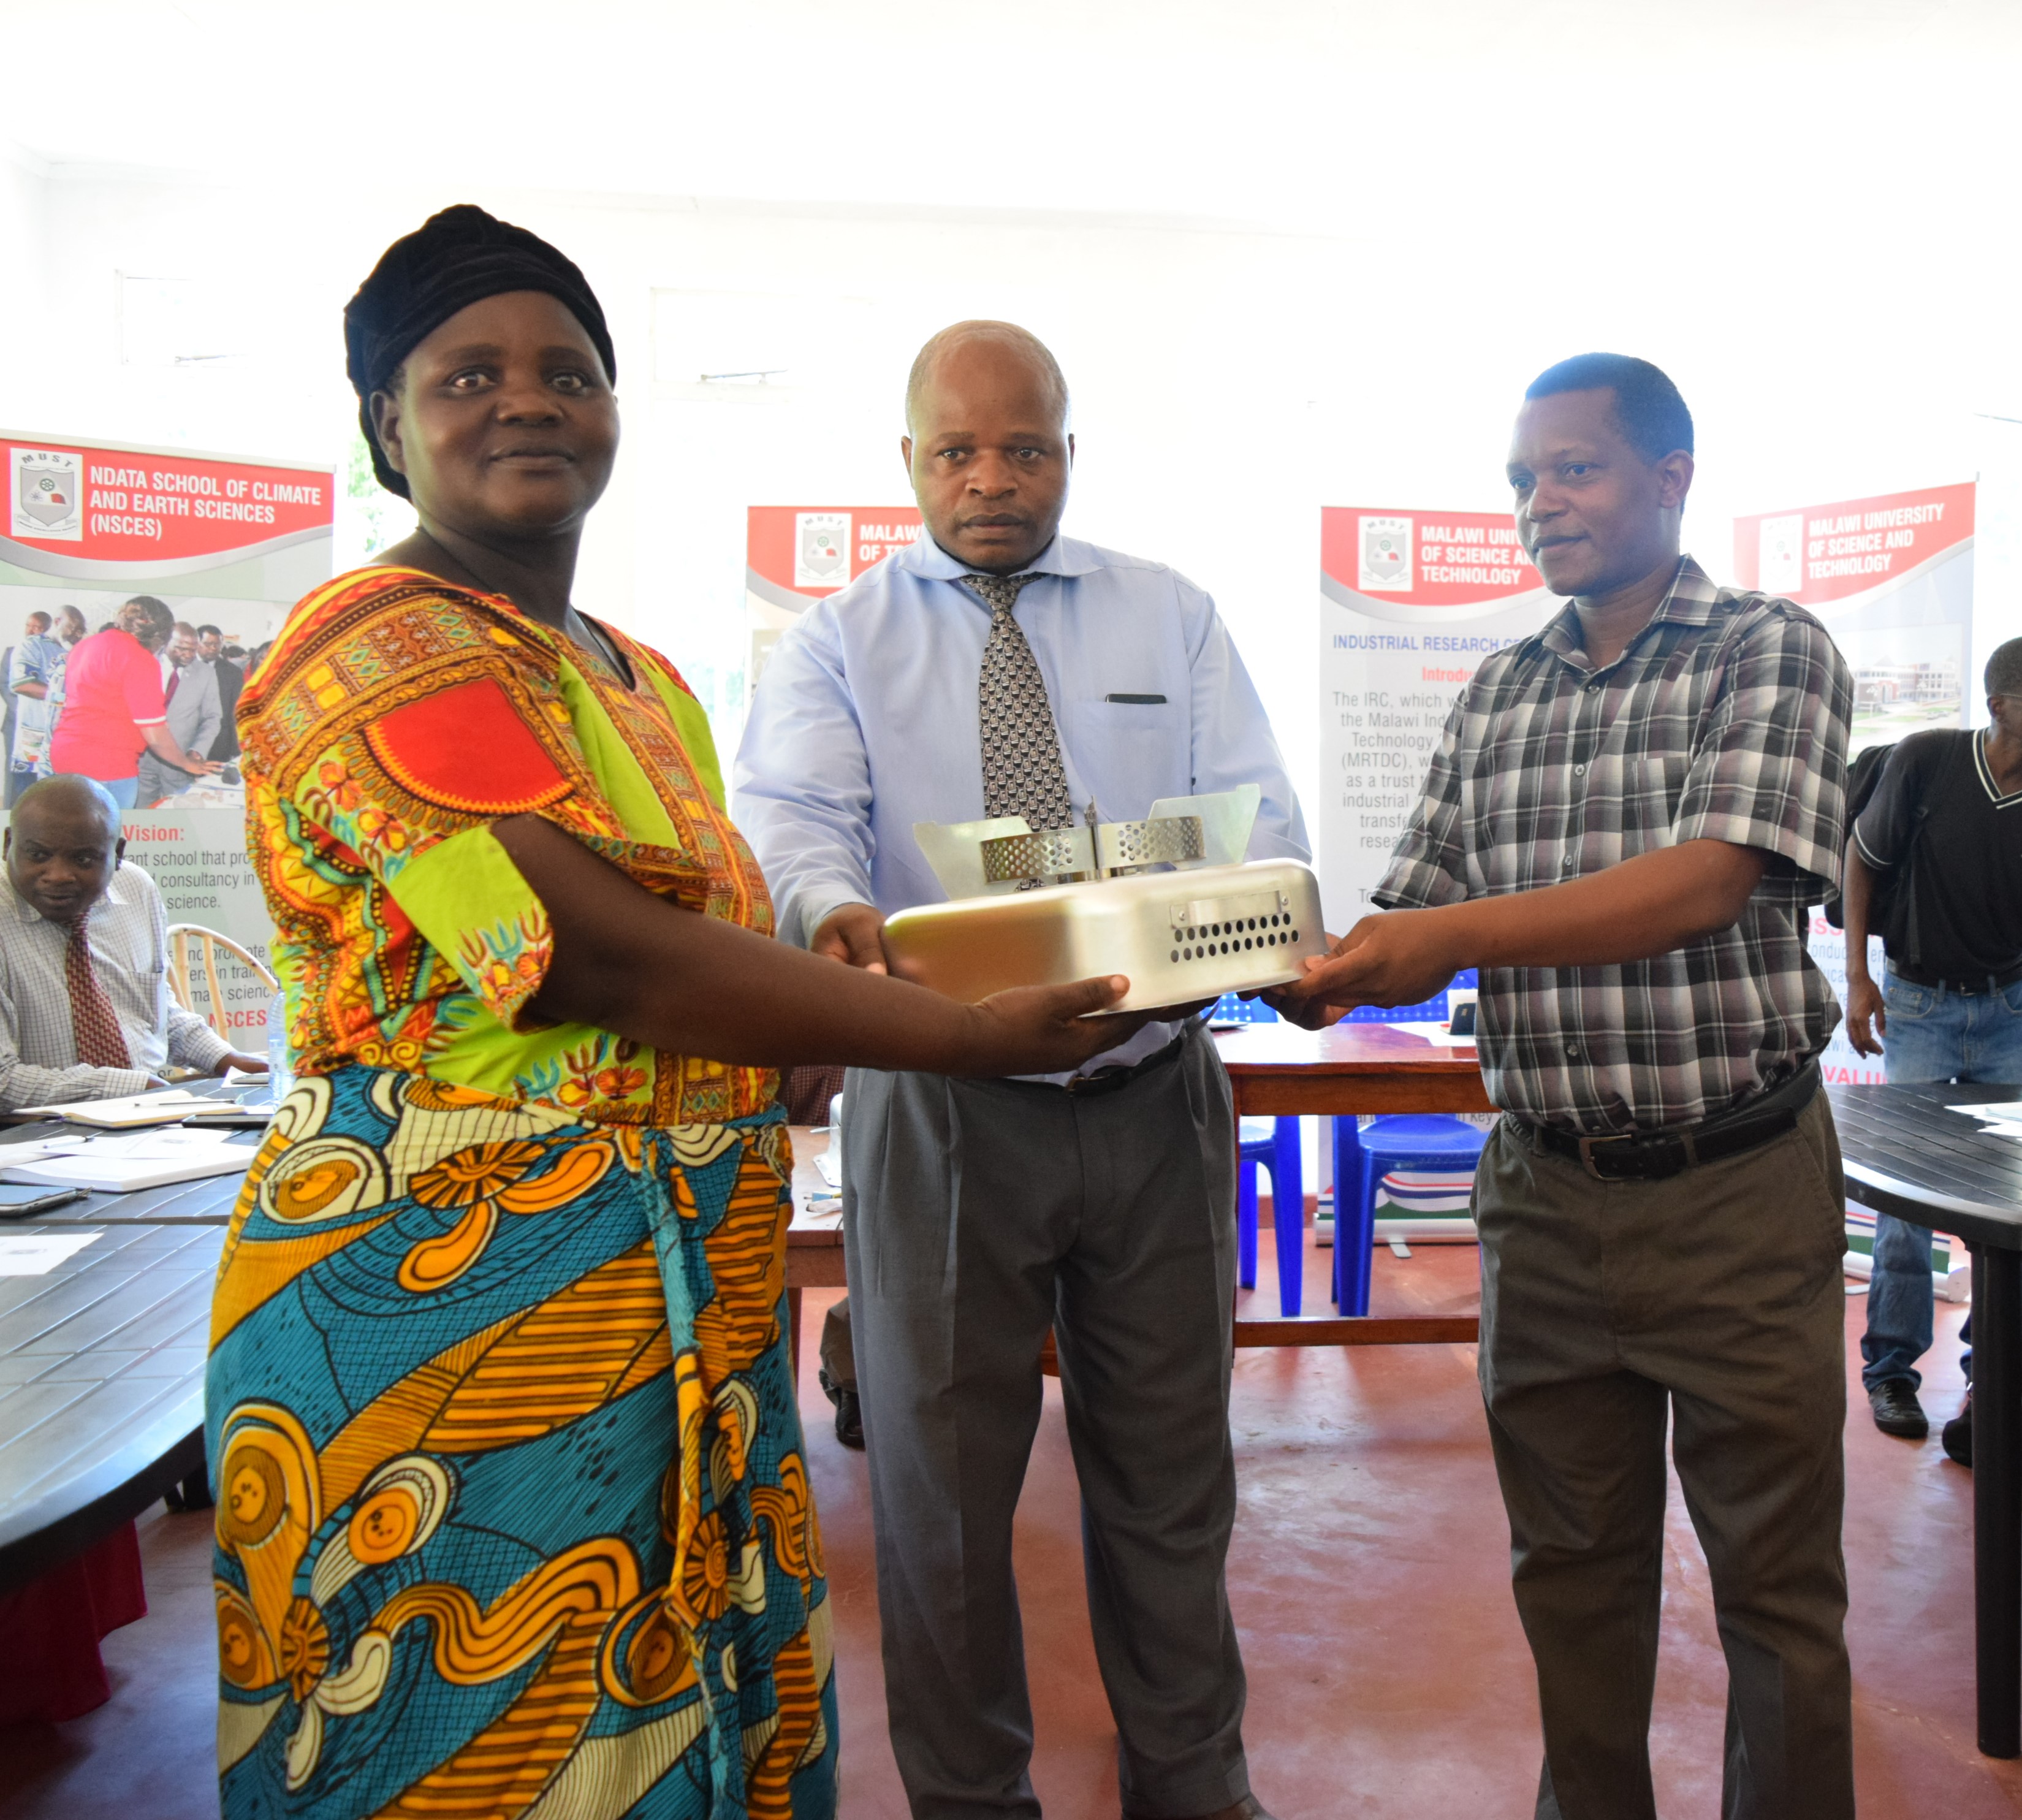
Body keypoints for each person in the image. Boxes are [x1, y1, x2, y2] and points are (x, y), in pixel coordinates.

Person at [206, 207, 1140, 1820]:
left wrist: (790, 1030)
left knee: (689, 1726)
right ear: (386, 426)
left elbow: (699, 955)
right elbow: (587, 957)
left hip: (682, 1306)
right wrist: (961, 1035)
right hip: (443, 1320)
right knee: (479, 1750)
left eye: (567, 371)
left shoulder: (638, 676)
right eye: (467, 375)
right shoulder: (374, 644)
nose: (527, 399)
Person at [735, 320, 1304, 1820]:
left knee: (1172, 1475)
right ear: (908, 460)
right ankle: (971, 1801)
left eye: (1023, 447)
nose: (990, 478)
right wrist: (825, 910)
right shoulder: (838, 638)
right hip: (940, 1105)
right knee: (940, 1495)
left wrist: (1247, 919)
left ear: (1066, 451)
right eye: (956, 451)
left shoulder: (1166, 613)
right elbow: (792, 813)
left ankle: (1194, 1784)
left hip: (1152, 1090)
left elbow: (1253, 811)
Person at [1275, 354, 1855, 1820]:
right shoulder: (1497, 692)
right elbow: (1413, 904)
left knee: (1774, 1587)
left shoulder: (1767, 649)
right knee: (1571, 1573)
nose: (1539, 502)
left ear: (1671, 476)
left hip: (1733, 1187)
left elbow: (1703, 881)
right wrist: (1294, 959)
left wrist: (1445, 938)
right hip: (1542, 1194)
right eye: (1521, 480)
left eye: (1574, 468)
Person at [1843, 634, 2022, 1464]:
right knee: (1906, 1207)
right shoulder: (1927, 761)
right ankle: (1891, 1370)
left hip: (2009, 1008)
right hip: (1916, 1004)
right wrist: (1857, 978)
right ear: (2000, 705)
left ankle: (1992, 1381)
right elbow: (1859, 860)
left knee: (2006, 1209)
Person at [0, 774, 266, 1106]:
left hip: (148, 1109)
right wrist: (133, 1088)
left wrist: (226, 1059)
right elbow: (3, 1080)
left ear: (118, 854)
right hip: (38, 1126)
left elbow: (154, 1009)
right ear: (8, 844)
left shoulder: (136, 889)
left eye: (83, 860)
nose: (58, 875)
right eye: (38, 855)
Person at [48, 596, 220, 807]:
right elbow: (155, 735)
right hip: (107, 765)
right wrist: (187, 764)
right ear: (159, 637)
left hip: (64, 755)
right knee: (110, 827)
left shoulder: (86, 645)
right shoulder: (139, 658)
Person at [135, 620, 224, 803]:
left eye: (193, 650)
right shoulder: (145, 663)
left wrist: (197, 750)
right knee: (141, 811)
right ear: (166, 642)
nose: (189, 655)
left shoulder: (205, 673)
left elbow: (212, 718)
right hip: (142, 757)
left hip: (182, 760)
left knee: (177, 812)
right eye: (182, 649)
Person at [199, 622, 244, 761]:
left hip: (218, 742)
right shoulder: (186, 667)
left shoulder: (233, 673)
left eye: (217, 644)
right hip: (185, 739)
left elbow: (234, 711)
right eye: (208, 644)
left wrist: (235, 748)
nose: (213, 648)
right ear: (197, 643)